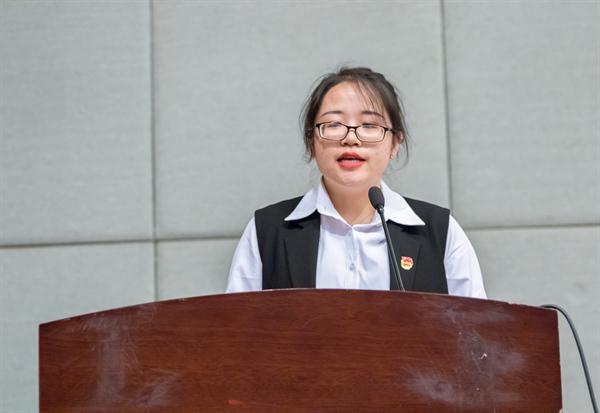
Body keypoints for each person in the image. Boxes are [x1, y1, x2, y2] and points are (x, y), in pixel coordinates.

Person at [226, 67, 486, 298]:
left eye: (369, 125)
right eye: (334, 124)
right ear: (311, 141)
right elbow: (235, 329)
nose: (351, 138)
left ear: (395, 143)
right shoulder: (267, 231)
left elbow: (474, 330)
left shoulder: (439, 232)